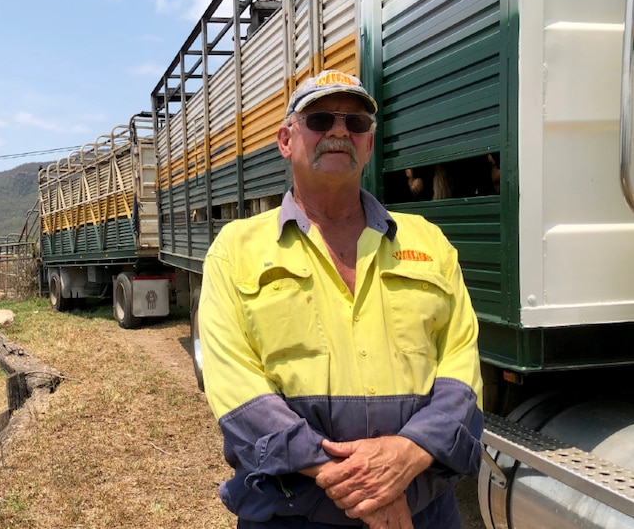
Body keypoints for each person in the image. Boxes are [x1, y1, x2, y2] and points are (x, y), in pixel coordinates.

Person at [198, 69, 484, 529]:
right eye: (320, 119)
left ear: (368, 145)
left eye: (355, 124)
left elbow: (461, 364)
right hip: (291, 513)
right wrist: (361, 485)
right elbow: (234, 384)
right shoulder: (236, 249)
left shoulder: (429, 242)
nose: (338, 131)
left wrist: (409, 453)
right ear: (286, 140)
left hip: (423, 511)